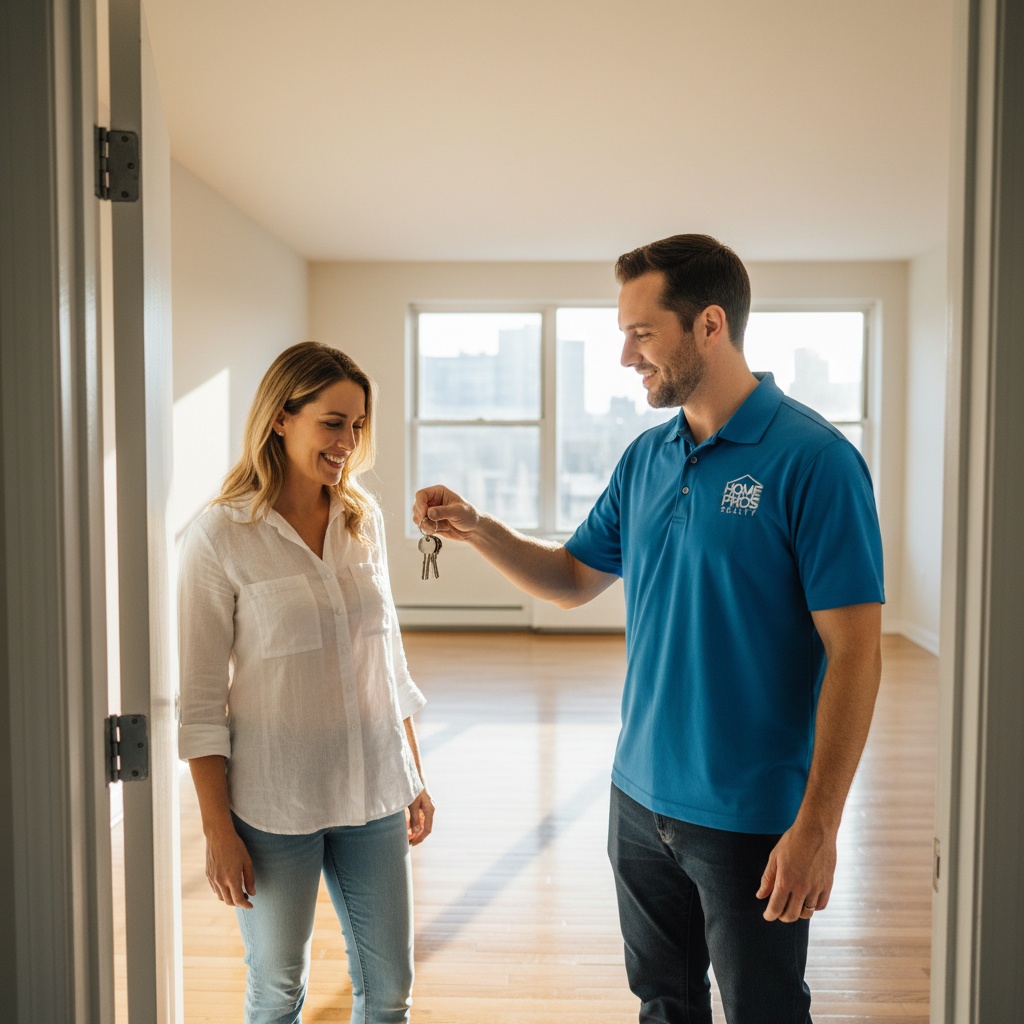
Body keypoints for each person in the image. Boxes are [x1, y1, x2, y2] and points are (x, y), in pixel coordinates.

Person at [413, 234, 883, 1023]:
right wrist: (477, 528)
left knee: (765, 1010)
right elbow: (572, 579)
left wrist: (819, 826)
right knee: (663, 1006)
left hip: (750, 818)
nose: (627, 356)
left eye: (642, 333)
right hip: (637, 801)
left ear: (709, 325)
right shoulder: (646, 458)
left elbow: (857, 655)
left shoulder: (816, 461)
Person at [178, 341, 434, 1024]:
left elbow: (386, 658)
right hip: (274, 803)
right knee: (276, 990)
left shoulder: (362, 519)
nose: (348, 441)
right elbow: (200, 702)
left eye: (358, 424)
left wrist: (412, 771)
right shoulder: (219, 536)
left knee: (389, 992)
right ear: (280, 418)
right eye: (332, 422)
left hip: (373, 789)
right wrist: (217, 832)